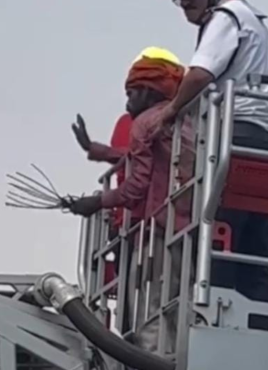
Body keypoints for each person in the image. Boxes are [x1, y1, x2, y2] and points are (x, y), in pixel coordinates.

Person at [154, 0, 268, 305]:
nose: (184, 6)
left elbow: (199, 74)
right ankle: (261, 324)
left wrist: (171, 111)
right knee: (253, 247)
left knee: (219, 235)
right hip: (264, 141)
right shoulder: (252, 20)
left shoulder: (226, 17)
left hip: (235, 137)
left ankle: (216, 317)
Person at [70, 52, 194, 353]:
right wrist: (97, 150)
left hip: (155, 230)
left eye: (131, 93)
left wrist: (98, 202)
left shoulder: (142, 123)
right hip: (188, 228)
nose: (127, 103)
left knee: (149, 310)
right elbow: (143, 157)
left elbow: (135, 187)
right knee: (180, 307)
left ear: (147, 91)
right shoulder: (185, 120)